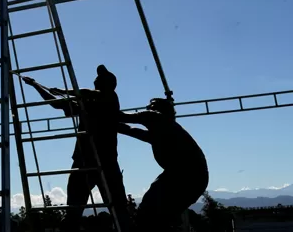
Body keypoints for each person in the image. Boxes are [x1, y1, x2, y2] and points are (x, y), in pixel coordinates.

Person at [22, 65, 134, 231]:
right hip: (85, 163)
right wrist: (36, 85)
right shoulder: (87, 104)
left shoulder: (109, 99)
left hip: (104, 162)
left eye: (98, 80)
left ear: (107, 85)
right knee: (74, 211)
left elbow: (86, 93)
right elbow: (56, 103)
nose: (95, 82)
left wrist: (63, 90)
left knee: (119, 211)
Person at [114, 97, 209, 231]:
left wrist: (91, 109)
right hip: (194, 178)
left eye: (151, 106)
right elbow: (130, 130)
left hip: (185, 175)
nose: (147, 108)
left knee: (150, 210)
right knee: (159, 215)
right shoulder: (165, 131)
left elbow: (121, 118)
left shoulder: (156, 117)